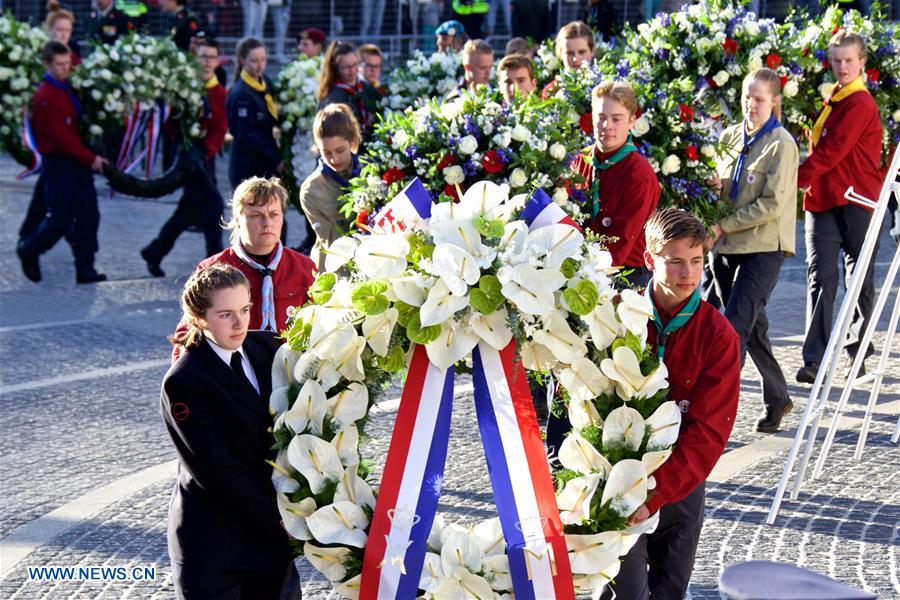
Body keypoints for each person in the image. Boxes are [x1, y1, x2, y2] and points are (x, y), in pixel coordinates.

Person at [602, 208, 740, 600]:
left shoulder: (718, 335)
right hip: (615, 477)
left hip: (680, 483)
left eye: (697, 262)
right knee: (624, 591)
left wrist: (657, 494)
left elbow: (710, 432)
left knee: (669, 590)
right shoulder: (616, 315)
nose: (688, 274)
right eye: (675, 262)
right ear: (649, 259)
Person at [161, 263, 292, 599]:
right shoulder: (185, 380)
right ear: (199, 318)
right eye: (225, 314)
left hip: (270, 544)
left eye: (245, 310)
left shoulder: (269, 349)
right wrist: (283, 517)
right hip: (215, 546)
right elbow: (218, 470)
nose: (240, 323)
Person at [709, 68, 798, 433]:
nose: (751, 105)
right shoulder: (730, 136)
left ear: (774, 101)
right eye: (747, 96)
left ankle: (715, 416)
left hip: (764, 247)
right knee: (753, 327)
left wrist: (721, 225)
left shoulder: (782, 144)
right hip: (727, 246)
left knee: (734, 328)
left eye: (759, 98)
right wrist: (713, 188)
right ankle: (778, 398)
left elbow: (770, 205)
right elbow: (723, 192)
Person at [795, 30, 884, 384]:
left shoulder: (860, 102)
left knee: (858, 278)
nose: (843, 66)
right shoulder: (833, 96)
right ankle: (815, 358)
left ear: (862, 63)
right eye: (837, 61)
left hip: (857, 199)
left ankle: (857, 352)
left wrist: (793, 178)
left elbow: (833, 152)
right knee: (820, 276)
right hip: (823, 199)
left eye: (849, 60)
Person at [171, 177, 316, 361]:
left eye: (274, 214)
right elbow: (189, 332)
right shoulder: (213, 270)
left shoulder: (304, 267)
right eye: (256, 215)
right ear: (238, 218)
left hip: (290, 373)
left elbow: (321, 329)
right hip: (236, 374)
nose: (267, 223)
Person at [17, 41, 109, 285]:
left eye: (67, 64)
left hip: (77, 163)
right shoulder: (46, 96)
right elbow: (63, 139)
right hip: (59, 164)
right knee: (59, 219)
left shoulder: (67, 86)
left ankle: (85, 268)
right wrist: (92, 159)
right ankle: (29, 249)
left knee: (89, 215)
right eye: (59, 65)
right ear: (47, 64)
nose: (65, 69)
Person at [141, 38, 228, 278]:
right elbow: (170, 123)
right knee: (214, 205)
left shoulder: (219, 92)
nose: (207, 62)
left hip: (203, 159)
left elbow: (220, 129)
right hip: (185, 159)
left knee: (187, 211)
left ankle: (155, 251)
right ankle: (217, 266)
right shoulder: (184, 87)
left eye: (212, 57)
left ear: (218, 61)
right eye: (203, 57)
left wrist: (204, 151)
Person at [570, 80, 660, 287]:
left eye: (616, 119)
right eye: (601, 117)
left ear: (631, 122)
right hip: (579, 267)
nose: (607, 126)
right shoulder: (580, 160)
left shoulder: (639, 174)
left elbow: (620, 244)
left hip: (624, 277)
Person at [18, 0, 81, 246]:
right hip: (48, 129)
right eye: (59, 30)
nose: (63, 35)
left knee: (46, 188)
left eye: (67, 31)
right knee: (52, 189)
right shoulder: (42, 54)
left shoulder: (72, 53)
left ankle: (30, 233)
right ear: (49, 30)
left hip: (69, 126)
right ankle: (43, 238)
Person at [299, 104, 362, 272]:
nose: (334, 159)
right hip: (336, 268)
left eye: (340, 150)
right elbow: (332, 241)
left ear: (353, 141)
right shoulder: (311, 190)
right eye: (326, 152)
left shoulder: (371, 171)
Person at [227, 37, 283, 190]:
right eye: (254, 61)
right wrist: (276, 160)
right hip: (247, 166)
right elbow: (248, 135)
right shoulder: (241, 94)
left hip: (264, 162)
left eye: (263, 59)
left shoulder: (264, 81)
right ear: (242, 60)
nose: (260, 65)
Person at [316, 41, 377, 139]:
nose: (352, 70)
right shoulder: (332, 97)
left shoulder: (366, 88)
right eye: (346, 67)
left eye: (355, 64)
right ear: (336, 67)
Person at [540, 21, 595, 99]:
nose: (575, 59)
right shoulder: (551, 90)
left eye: (581, 52)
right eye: (569, 53)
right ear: (560, 53)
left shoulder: (603, 88)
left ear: (592, 51)